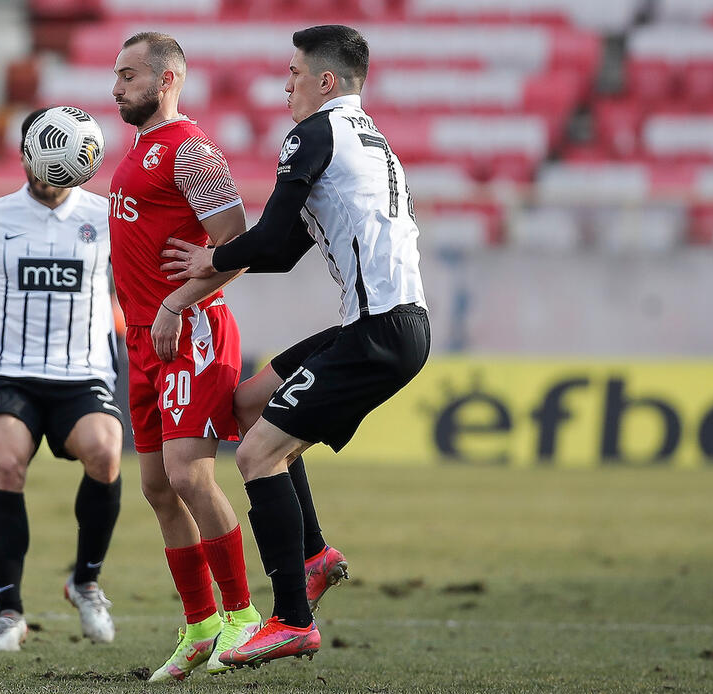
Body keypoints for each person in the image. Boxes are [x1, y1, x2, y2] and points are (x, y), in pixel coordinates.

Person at [161, 24, 431, 667]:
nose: (286, 86)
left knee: (256, 457)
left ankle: (291, 618)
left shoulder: (314, 133)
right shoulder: (367, 140)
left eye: (295, 73)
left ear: (325, 81)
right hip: (383, 324)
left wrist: (210, 259)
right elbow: (282, 252)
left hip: (379, 331)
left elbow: (271, 232)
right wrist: (224, 259)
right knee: (251, 404)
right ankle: (312, 556)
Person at [107, 32, 267, 681]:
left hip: (192, 332)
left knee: (189, 476)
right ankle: (200, 624)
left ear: (167, 79)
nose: (116, 87)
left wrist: (176, 302)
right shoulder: (138, 150)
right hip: (143, 339)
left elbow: (238, 244)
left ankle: (244, 616)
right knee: (154, 486)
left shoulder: (192, 152)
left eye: (128, 76)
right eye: (116, 76)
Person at [0, 107, 123, 652]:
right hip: (9, 369)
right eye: (42, 164)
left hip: (82, 370)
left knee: (106, 454)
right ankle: (9, 613)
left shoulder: (108, 215)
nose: (50, 176)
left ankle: (85, 581)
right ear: (26, 156)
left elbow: (137, 284)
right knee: (6, 464)